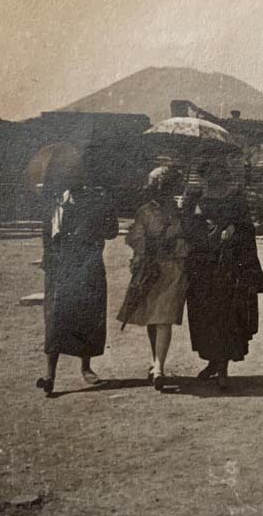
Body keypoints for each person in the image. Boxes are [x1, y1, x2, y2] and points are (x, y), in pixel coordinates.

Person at [185, 164, 263, 390]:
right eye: (207, 173)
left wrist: (233, 230)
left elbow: (247, 231)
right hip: (201, 267)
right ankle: (213, 361)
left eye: (216, 172)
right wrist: (199, 226)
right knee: (205, 316)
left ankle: (223, 368)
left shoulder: (235, 198)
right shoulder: (194, 198)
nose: (211, 177)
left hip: (228, 267)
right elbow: (187, 231)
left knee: (225, 316)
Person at [36, 170, 119, 394]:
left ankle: (86, 367)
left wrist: (104, 212)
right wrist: (48, 259)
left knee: (89, 315)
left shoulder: (97, 201)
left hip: (87, 266)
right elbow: (47, 235)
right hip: (59, 268)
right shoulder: (54, 203)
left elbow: (112, 232)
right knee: (55, 317)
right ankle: (49, 374)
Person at [117, 166, 190, 391]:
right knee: (153, 318)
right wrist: (153, 246)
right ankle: (155, 361)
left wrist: (174, 244)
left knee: (164, 318)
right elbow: (135, 239)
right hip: (152, 269)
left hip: (173, 270)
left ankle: (158, 368)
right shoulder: (145, 212)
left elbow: (188, 242)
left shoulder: (181, 212)